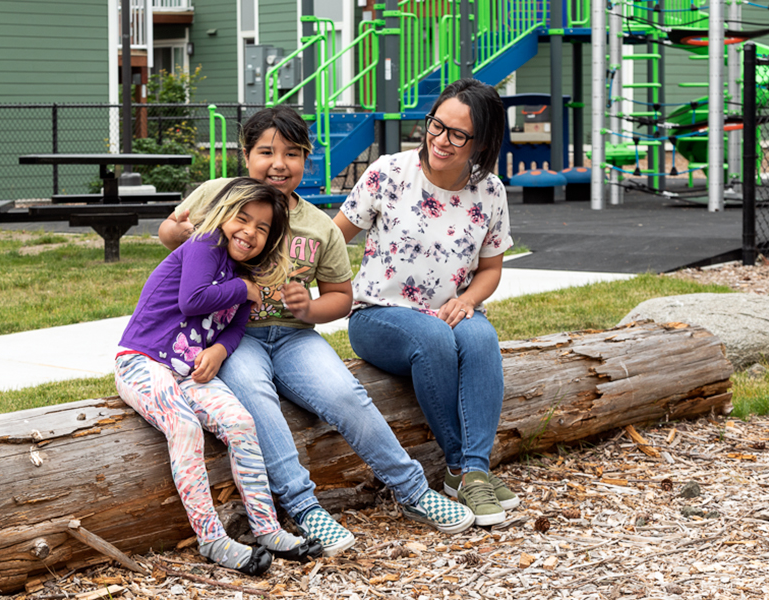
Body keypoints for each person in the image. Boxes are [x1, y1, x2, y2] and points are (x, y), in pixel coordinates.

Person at [159, 106, 473, 558]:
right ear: (245, 155)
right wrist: (177, 230)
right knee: (256, 400)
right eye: (265, 151)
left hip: (295, 338)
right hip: (234, 338)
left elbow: (341, 297)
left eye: (291, 153)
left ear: (306, 159)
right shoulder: (216, 196)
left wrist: (310, 309)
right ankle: (305, 508)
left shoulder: (319, 225)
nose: (278, 163)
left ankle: (412, 490)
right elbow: (171, 234)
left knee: (345, 394)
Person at [332, 78, 519, 527]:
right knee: (435, 335)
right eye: (437, 125)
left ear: (482, 141)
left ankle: (473, 471)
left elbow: (491, 269)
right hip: (378, 316)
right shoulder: (388, 173)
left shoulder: (489, 191)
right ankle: (458, 464)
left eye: (458, 134)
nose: (440, 140)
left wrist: (470, 299)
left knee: (480, 337)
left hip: (449, 312)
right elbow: (332, 238)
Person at [116, 178, 322, 575]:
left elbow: (234, 327)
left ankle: (267, 529)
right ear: (224, 215)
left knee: (241, 423)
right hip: (142, 361)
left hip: (190, 370)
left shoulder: (251, 277)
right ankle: (211, 538)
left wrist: (220, 349)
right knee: (185, 426)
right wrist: (243, 288)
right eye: (242, 219)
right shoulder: (203, 246)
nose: (249, 232)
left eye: (262, 228)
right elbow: (191, 298)